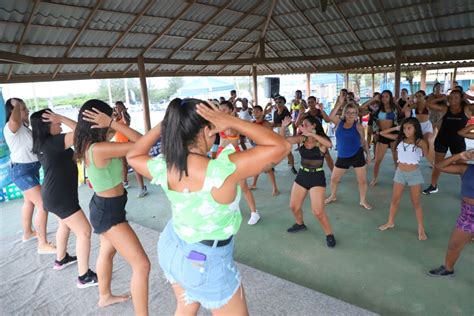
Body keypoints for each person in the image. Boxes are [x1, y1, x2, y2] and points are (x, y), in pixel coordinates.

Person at [126, 98, 290, 315]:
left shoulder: (165, 166)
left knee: (185, 308)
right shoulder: (221, 171)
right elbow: (282, 146)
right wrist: (231, 120)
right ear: (205, 131)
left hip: (172, 246)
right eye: (213, 130)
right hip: (206, 261)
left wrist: (165, 125)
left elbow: (133, 155)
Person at [74, 100, 150, 314]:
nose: (112, 121)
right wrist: (114, 124)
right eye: (109, 118)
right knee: (142, 265)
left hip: (106, 206)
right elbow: (143, 142)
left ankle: (105, 296)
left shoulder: (90, 144)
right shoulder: (99, 148)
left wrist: (112, 124)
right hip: (108, 211)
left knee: (107, 252)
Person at [31, 109, 97, 287]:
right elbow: (82, 132)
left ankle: (61, 259)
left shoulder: (44, 143)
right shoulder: (54, 142)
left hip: (55, 194)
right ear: (46, 125)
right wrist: (62, 117)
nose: (58, 123)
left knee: (64, 224)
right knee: (84, 231)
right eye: (54, 120)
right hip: (60, 196)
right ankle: (84, 276)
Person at [3, 98, 56, 254]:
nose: (26, 111)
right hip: (22, 171)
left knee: (29, 202)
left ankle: (27, 233)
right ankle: (43, 244)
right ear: (13, 112)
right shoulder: (12, 127)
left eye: (25, 108)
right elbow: (14, 119)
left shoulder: (25, 128)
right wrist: (16, 105)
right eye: (21, 109)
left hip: (29, 169)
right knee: (43, 205)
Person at [279, 115, 336, 247]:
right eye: (302, 124)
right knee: (294, 206)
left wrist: (312, 135)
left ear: (313, 126)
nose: (302, 126)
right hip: (302, 175)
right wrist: (283, 127)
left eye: (305, 124)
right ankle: (300, 224)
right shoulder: (301, 138)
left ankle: (329, 234)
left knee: (318, 212)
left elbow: (329, 144)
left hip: (317, 177)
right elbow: (282, 140)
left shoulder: (321, 141)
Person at [378, 118, 436, 240]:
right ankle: (390, 222)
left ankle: (421, 228)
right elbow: (382, 133)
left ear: (416, 129)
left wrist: (431, 142)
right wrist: (396, 128)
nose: (406, 131)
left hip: (414, 174)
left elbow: (431, 160)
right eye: (404, 128)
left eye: (409, 128)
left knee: (416, 203)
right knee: (395, 200)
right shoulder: (400, 139)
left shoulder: (419, 142)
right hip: (400, 173)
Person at [427, 149, 474, 276]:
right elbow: (439, 166)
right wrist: (459, 156)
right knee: (454, 245)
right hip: (468, 215)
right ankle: (448, 268)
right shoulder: (466, 168)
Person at [218, 101, 261, 225]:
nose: (221, 112)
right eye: (220, 109)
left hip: (235, 156)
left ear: (231, 110)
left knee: (243, 186)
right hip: (222, 155)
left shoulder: (236, 123)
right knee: (225, 184)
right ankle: (233, 204)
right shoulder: (221, 122)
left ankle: (254, 212)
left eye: (224, 110)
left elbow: (231, 133)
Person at [325, 96, 372, 209]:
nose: (351, 115)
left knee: (362, 180)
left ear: (357, 114)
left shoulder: (358, 126)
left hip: (357, 154)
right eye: (348, 112)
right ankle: (333, 195)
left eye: (354, 113)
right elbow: (330, 116)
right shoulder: (339, 123)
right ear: (344, 113)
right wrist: (340, 102)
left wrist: (368, 154)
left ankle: (362, 200)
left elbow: (363, 141)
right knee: (334, 179)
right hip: (342, 156)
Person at [423, 90, 471, 194]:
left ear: (461, 99)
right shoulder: (445, 109)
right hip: (442, 139)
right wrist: (442, 98)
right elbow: (428, 104)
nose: (453, 99)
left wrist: (469, 98)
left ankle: (468, 190)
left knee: (462, 168)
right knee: (438, 164)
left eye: (456, 97)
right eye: (451, 97)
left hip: (457, 142)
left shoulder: (466, 109)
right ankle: (433, 186)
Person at [114, 101, 148, 198]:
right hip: (119, 144)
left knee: (134, 165)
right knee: (123, 164)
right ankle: (125, 181)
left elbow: (126, 123)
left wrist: (123, 113)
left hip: (128, 143)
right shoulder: (115, 118)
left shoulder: (126, 116)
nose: (118, 109)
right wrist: (116, 115)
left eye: (119, 107)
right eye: (116, 107)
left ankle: (142, 187)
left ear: (123, 107)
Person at [295, 96, 334, 171]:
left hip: (320, 134)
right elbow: (297, 125)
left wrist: (322, 110)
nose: (310, 104)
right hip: (309, 136)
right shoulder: (306, 114)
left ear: (315, 102)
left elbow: (327, 120)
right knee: (308, 153)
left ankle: (333, 172)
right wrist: (300, 114)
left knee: (327, 155)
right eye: (309, 102)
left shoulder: (319, 112)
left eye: (312, 102)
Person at [370, 90, 400, 186]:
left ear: (390, 97)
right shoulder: (377, 108)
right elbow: (363, 107)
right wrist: (373, 99)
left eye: (386, 96)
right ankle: (375, 178)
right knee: (378, 160)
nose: (384, 98)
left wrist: (397, 103)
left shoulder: (394, 108)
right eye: (382, 96)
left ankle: (399, 178)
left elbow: (402, 114)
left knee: (396, 159)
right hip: (382, 135)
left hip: (392, 134)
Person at [248, 105, 280, 196]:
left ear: (262, 112)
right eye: (254, 111)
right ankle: (254, 184)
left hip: (266, 148)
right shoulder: (253, 123)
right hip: (257, 147)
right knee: (257, 167)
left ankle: (275, 188)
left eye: (257, 111)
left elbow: (272, 136)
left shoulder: (266, 124)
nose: (255, 113)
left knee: (268, 169)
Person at [271, 96, 297, 174]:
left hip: (285, 131)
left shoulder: (285, 112)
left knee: (288, 150)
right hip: (276, 131)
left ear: (284, 103)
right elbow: (274, 123)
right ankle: (272, 166)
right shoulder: (275, 112)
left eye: (280, 102)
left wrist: (281, 125)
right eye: (276, 102)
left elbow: (288, 122)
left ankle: (292, 167)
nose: (278, 104)